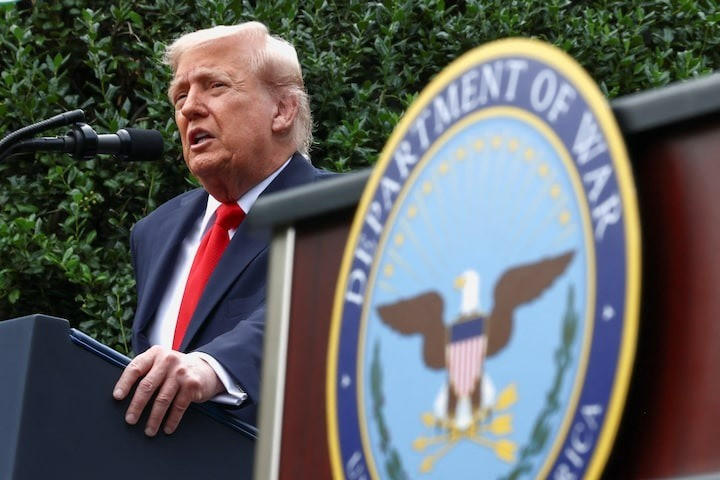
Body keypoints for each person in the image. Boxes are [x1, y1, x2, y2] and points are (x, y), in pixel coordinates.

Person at [112, 21, 331, 437]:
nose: (189, 109)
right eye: (180, 95)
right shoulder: (154, 232)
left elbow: (316, 310)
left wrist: (212, 366)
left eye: (215, 86)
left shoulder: (345, 207)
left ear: (282, 110)